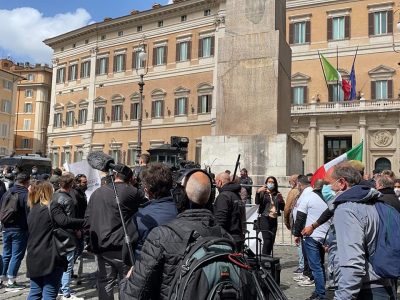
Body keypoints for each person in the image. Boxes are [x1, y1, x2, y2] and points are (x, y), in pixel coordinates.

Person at [120, 169, 232, 299]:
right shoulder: (225, 237)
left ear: (180, 196)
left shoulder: (161, 235)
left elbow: (132, 295)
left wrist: (126, 281)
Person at [329, 163, 397, 299]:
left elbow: (352, 263)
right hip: (385, 283)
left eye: (331, 184)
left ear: (342, 182)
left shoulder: (347, 209)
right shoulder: (376, 202)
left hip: (365, 289)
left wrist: (343, 296)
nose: (330, 188)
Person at [84, 163, 146, 300]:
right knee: (126, 282)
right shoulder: (132, 191)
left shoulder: (97, 192)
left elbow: (87, 219)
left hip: (102, 245)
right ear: (130, 179)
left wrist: (89, 241)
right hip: (123, 245)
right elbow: (147, 205)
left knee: (105, 282)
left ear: (115, 175)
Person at [26, 181, 84, 300]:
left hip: (33, 254)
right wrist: (85, 221)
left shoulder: (33, 208)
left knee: (35, 292)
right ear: (49, 192)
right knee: (50, 293)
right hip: (50, 255)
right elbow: (64, 221)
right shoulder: (52, 206)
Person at [292, 176, 329, 300]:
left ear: (313, 186)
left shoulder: (308, 197)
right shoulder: (329, 198)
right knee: (321, 265)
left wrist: (297, 234)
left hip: (311, 235)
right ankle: (320, 290)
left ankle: (320, 294)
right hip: (325, 236)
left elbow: (300, 217)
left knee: (315, 266)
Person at [133, 163, 178, 258]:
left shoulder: (142, 216)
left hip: (148, 265)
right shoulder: (183, 209)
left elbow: (134, 249)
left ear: (148, 191)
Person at [52, 173, 82, 300]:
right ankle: (66, 292)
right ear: (71, 185)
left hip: (56, 233)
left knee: (59, 263)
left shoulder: (54, 196)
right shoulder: (68, 199)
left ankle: (59, 288)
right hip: (67, 235)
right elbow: (70, 220)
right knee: (68, 265)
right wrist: (77, 230)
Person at [0, 172, 30, 291]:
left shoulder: (8, 192)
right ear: (26, 182)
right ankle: (11, 281)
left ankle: (2, 278)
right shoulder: (25, 194)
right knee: (16, 255)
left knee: (6, 254)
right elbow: (29, 213)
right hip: (20, 229)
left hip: (6, 228)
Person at [214, 172, 245, 251]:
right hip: (238, 237)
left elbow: (220, 221)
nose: (215, 184)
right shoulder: (236, 195)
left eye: (215, 181)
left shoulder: (223, 196)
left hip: (228, 240)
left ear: (219, 182)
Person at [255, 176, 285, 255]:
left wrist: (281, 200)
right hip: (265, 217)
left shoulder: (277, 194)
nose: (270, 183)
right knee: (267, 240)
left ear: (275, 184)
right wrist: (258, 192)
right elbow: (257, 202)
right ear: (266, 183)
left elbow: (282, 208)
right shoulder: (263, 193)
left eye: (272, 182)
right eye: (269, 182)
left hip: (274, 218)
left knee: (271, 240)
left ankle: (267, 258)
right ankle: (264, 259)